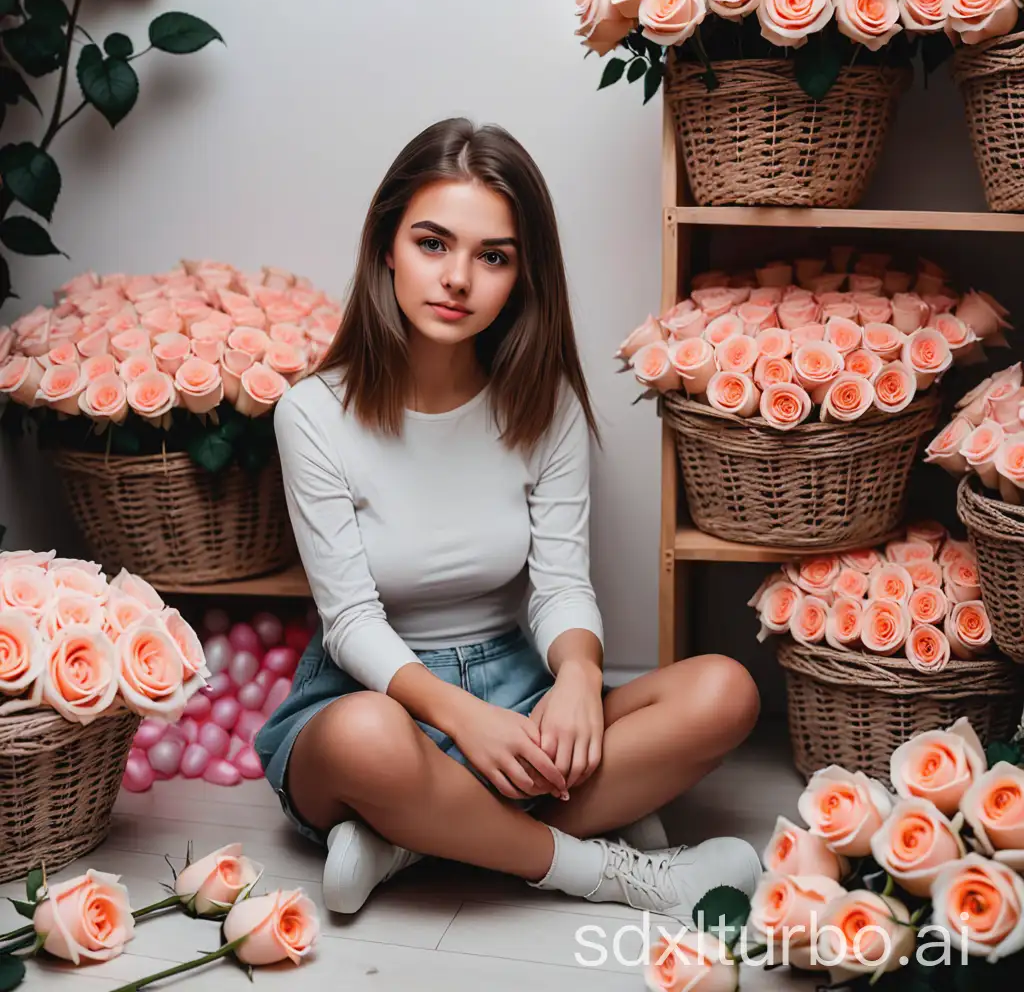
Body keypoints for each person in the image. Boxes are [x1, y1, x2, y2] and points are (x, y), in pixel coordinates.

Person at [254, 118, 763, 920]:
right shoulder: (312, 413)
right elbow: (349, 620)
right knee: (367, 739)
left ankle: (408, 841)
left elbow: (561, 582)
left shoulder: (544, 403)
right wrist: (463, 719)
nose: (457, 278)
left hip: (517, 689)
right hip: (372, 700)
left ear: (522, 276)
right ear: (386, 246)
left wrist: (580, 677)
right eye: (432, 243)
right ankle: (618, 873)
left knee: (725, 691)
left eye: (492, 256)